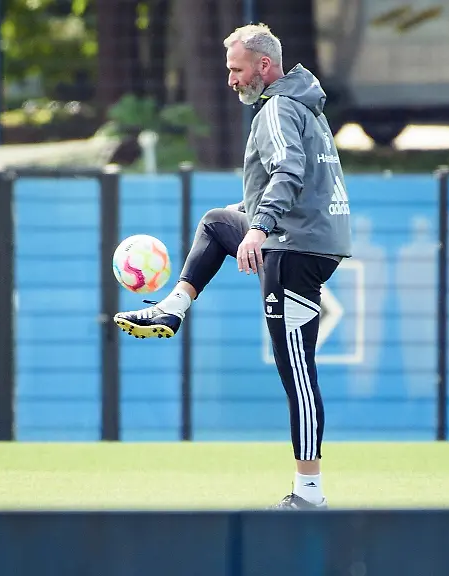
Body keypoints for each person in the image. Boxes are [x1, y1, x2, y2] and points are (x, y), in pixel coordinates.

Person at [114, 23, 352, 509]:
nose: (230, 80)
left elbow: (289, 171)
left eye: (236, 70)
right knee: (218, 222)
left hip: (294, 249)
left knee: (297, 373)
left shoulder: (279, 108)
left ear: (264, 66)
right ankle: (173, 307)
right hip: (309, 237)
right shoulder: (303, 103)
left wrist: (261, 227)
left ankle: (310, 494)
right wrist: (250, 219)